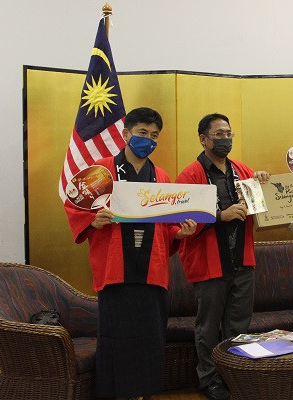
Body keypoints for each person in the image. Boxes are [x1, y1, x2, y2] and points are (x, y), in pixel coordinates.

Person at [64, 107, 197, 400]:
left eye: (154, 135)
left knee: (152, 335)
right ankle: (113, 393)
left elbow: (167, 226)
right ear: (126, 134)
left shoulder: (160, 176)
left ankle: (145, 392)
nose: (148, 140)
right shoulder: (102, 170)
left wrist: (179, 233)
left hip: (152, 270)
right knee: (115, 334)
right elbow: (74, 204)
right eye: (142, 133)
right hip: (115, 267)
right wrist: (93, 220)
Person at [175, 113, 270, 400]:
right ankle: (210, 380)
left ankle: (234, 376)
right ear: (203, 139)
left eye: (228, 133)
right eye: (218, 134)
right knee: (208, 327)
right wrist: (220, 215)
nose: (225, 139)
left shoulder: (242, 170)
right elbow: (181, 220)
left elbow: (260, 204)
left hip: (242, 261)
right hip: (209, 264)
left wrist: (262, 181)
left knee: (239, 325)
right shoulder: (190, 175)